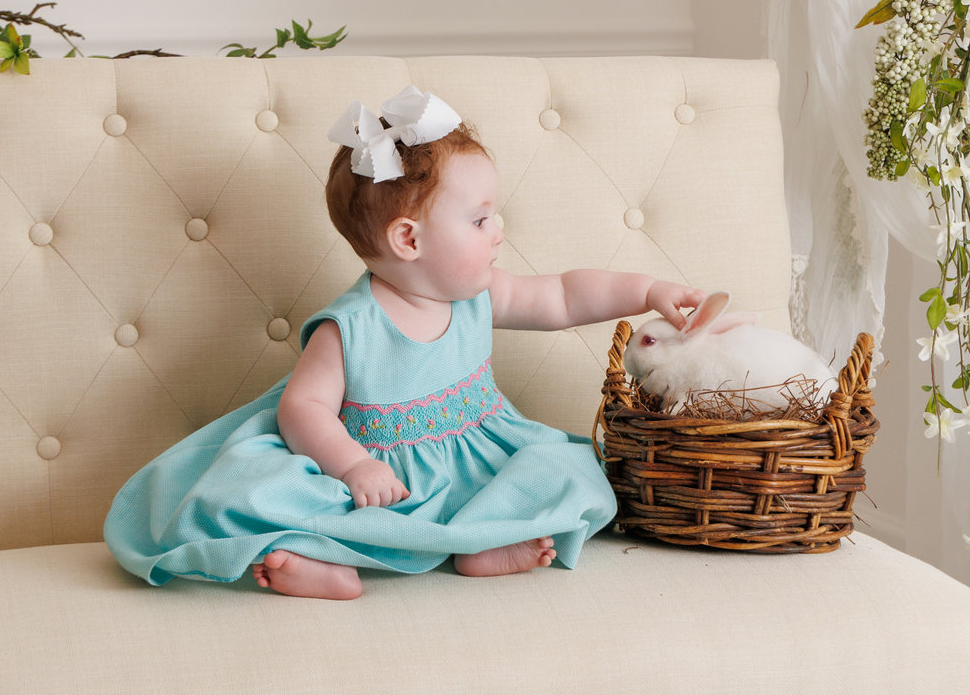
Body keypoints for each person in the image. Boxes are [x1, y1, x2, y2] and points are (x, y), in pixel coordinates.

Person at [104, 86, 705, 600]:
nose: (499, 230)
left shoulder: (478, 293)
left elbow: (564, 298)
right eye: (479, 220)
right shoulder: (350, 327)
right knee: (262, 492)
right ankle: (323, 563)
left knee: (564, 468)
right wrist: (354, 465)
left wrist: (647, 289)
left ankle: (481, 546)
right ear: (408, 240)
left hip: (472, 462)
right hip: (372, 473)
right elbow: (302, 409)